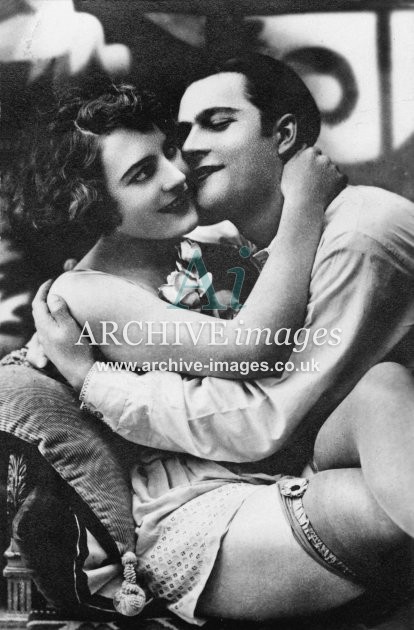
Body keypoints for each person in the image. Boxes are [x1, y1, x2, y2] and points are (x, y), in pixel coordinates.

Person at [20, 74, 414, 623]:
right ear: (92, 205)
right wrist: (303, 204)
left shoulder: (202, 244)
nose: (176, 175)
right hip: (197, 503)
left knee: (384, 387)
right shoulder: (84, 293)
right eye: (142, 174)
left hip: (271, 458)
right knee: (383, 508)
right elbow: (251, 349)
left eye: (167, 152)